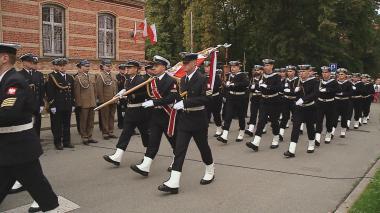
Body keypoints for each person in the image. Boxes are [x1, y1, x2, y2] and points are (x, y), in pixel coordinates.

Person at [0, 42, 59, 212]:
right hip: (9, 147)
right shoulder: (5, 79)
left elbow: (7, 113)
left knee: (41, 190)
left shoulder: (14, 81)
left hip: (18, 147)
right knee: (40, 189)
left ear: (4, 58)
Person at [158, 53, 214, 194]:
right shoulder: (182, 80)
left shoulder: (203, 79)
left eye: (187, 63)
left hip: (198, 119)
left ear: (195, 63)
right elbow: (178, 96)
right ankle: (174, 182)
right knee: (179, 150)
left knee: (203, 148)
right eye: (183, 63)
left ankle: (210, 169)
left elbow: (206, 99)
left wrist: (185, 102)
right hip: (184, 120)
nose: (184, 66)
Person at [130, 55, 178, 176]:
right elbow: (148, 95)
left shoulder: (171, 80)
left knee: (174, 141)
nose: (154, 68)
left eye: (157, 65)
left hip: (167, 115)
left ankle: (176, 161)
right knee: (153, 141)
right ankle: (145, 166)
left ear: (164, 67)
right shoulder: (152, 81)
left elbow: (171, 98)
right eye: (153, 66)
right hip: (155, 115)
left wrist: (154, 102)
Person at [103, 60, 151, 166]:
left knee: (145, 134)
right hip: (130, 111)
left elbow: (146, 94)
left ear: (136, 69)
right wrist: (122, 94)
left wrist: (130, 96)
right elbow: (127, 90)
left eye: (129, 67)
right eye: (126, 67)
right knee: (126, 133)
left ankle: (148, 155)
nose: (127, 69)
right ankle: (117, 156)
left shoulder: (141, 79)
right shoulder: (128, 80)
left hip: (140, 111)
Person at [246, 59, 282, 152]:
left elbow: (279, 87)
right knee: (261, 120)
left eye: (267, 65)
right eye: (265, 65)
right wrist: (256, 87)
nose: (265, 67)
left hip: (274, 101)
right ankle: (256, 143)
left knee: (274, 121)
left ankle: (276, 138)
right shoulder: (262, 76)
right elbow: (259, 86)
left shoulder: (276, 76)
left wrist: (268, 87)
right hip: (264, 100)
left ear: (272, 66)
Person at [284, 65, 319, 157]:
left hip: (310, 107)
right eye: (300, 72)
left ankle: (311, 144)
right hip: (299, 108)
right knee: (295, 126)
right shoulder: (297, 81)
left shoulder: (314, 81)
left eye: (304, 71)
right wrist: (289, 91)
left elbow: (315, 94)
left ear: (308, 72)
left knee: (310, 127)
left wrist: (304, 99)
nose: (301, 73)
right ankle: (291, 150)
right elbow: (292, 92)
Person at [46, 58, 75, 150]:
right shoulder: (52, 77)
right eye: (60, 65)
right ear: (56, 66)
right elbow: (50, 92)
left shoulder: (70, 77)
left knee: (67, 124)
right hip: (57, 105)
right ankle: (57, 143)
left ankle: (66, 142)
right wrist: (52, 105)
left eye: (64, 65)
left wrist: (73, 103)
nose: (62, 67)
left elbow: (72, 92)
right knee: (57, 125)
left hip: (67, 104)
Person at [217, 61, 249, 143]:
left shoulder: (243, 75)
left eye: (234, 67)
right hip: (231, 97)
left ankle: (241, 132)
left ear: (239, 67)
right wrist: (225, 85)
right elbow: (225, 86)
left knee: (241, 116)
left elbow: (245, 83)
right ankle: (225, 135)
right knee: (228, 115)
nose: (232, 68)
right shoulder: (229, 75)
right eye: (231, 67)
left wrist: (234, 84)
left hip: (240, 97)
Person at [19, 53, 45, 140]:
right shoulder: (19, 75)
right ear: (23, 63)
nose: (31, 63)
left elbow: (41, 90)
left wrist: (42, 104)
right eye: (29, 61)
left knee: (37, 123)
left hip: (37, 103)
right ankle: (27, 140)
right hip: (25, 105)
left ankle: (37, 139)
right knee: (26, 124)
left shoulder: (38, 74)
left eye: (32, 61)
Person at [74, 60, 98, 145]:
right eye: (85, 66)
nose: (87, 68)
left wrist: (95, 100)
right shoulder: (78, 77)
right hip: (83, 103)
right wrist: (78, 104)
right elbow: (77, 92)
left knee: (91, 121)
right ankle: (84, 137)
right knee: (83, 121)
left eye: (88, 66)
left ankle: (90, 136)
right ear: (81, 67)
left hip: (92, 102)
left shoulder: (92, 76)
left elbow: (94, 90)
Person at [314, 66, 338, 146]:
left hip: (330, 103)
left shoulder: (334, 82)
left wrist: (328, 90)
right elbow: (315, 91)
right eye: (323, 72)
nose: (324, 74)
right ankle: (317, 137)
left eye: (326, 72)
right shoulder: (319, 82)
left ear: (330, 73)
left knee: (329, 120)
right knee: (318, 120)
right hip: (320, 103)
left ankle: (328, 133)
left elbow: (338, 90)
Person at [96, 59, 118, 139]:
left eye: (110, 66)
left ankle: (111, 131)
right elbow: (99, 89)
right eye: (107, 66)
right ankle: (105, 132)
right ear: (103, 67)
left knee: (111, 116)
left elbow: (115, 87)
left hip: (113, 99)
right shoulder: (100, 76)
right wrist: (101, 101)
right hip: (105, 100)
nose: (109, 67)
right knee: (105, 117)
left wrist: (117, 98)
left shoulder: (113, 75)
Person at [279, 65, 299, 141]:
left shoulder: (298, 80)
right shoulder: (285, 80)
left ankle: (295, 134)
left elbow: (298, 91)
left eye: (291, 71)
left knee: (296, 118)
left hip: (295, 101)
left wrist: (291, 91)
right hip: (286, 100)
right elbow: (280, 88)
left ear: (294, 72)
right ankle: (280, 133)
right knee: (285, 117)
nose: (289, 73)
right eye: (288, 71)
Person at [203, 61, 223, 137]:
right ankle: (205, 130)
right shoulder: (203, 76)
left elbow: (216, 87)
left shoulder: (216, 76)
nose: (206, 68)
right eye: (205, 67)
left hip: (215, 97)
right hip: (207, 98)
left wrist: (207, 91)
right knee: (206, 115)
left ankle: (219, 128)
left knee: (216, 114)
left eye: (208, 67)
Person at [334, 68, 352, 138]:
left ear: (345, 75)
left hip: (345, 102)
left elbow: (350, 93)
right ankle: (332, 132)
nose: (340, 75)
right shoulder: (335, 83)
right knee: (334, 117)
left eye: (342, 74)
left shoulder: (348, 83)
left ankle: (343, 132)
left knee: (344, 118)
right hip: (336, 101)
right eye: (339, 74)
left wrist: (342, 94)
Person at [245, 65, 263, 136]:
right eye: (255, 70)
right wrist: (252, 88)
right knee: (253, 114)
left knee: (262, 115)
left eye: (258, 70)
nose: (256, 72)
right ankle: (251, 129)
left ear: (262, 71)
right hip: (254, 97)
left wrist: (257, 87)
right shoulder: (252, 79)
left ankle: (262, 127)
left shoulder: (265, 78)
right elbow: (249, 88)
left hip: (262, 98)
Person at [116, 64, 127, 129]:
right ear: (119, 69)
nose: (123, 70)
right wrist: (117, 98)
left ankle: (125, 123)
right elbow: (116, 88)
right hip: (119, 96)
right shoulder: (117, 77)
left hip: (125, 96)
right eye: (122, 69)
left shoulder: (126, 76)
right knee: (120, 111)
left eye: (124, 69)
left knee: (125, 111)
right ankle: (120, 124)